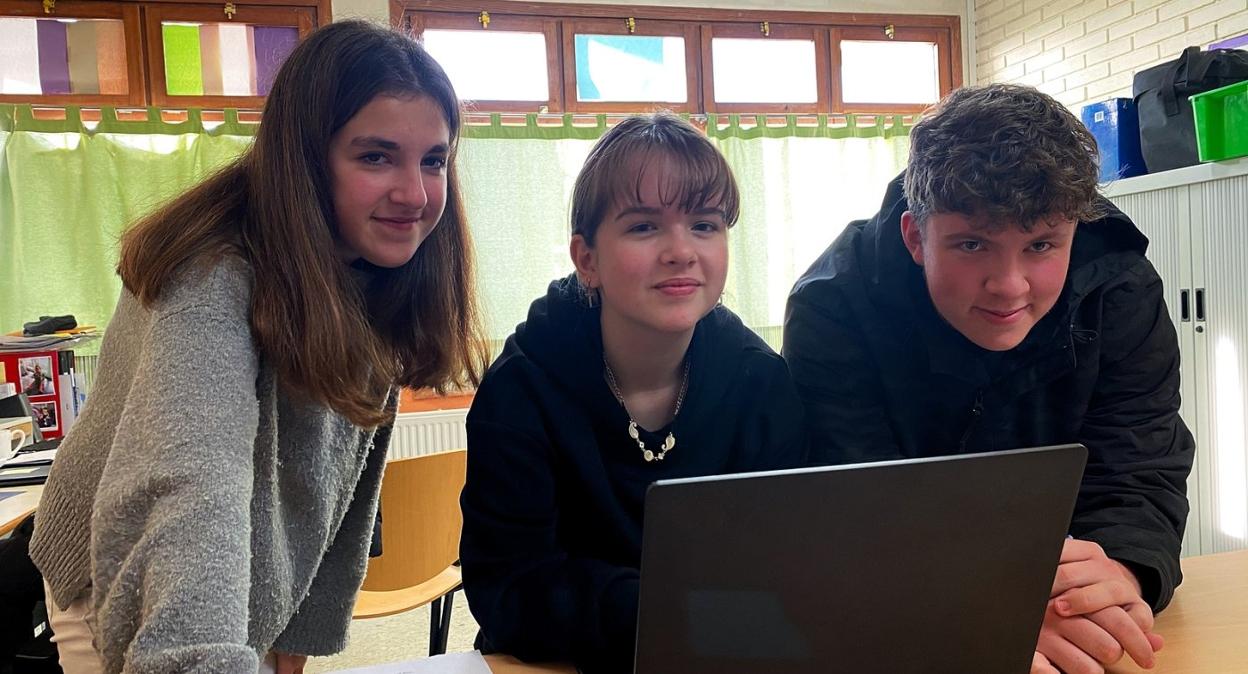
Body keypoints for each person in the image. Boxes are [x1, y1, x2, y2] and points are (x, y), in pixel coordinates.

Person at [29, 20, 487, 674]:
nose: (414, 194)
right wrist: (199, 653)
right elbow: (190, 490)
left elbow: (340, 490)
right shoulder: (210, 276)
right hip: (124, 576)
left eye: (433, 160)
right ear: (307, 158)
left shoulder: (377, 267)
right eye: (376, 157)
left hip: (250, 583)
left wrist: (300, 634)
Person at [784, 83, 1194, 674]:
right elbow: (854, 513)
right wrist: (994, 607)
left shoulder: (1120, 285)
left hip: (1070, 608)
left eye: (1041, 245)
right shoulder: (832, 307)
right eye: (972, 244)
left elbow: (1141, 465)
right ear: (915, 237)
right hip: (913, 622)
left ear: (1075, 230)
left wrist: (1115, 576)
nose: (1009, 286)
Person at [459, 113, 807, 674]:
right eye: (644, 227)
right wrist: (671, 611)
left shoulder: (760, 382)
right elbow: (509, 589)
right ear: (587, 259)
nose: (681, 251)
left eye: (705, 224)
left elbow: (787, 564)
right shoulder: (521, 389)